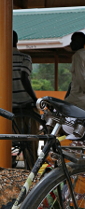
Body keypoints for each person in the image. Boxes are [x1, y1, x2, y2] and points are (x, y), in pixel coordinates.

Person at [12, 30, 39, 162]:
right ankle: (31, 163)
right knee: (32, 138)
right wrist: (35, 100)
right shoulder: (25, 57)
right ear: (16, 41)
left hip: (9, 105)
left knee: (8, 137)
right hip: (26, 103)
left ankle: (8, 162)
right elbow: (24, 78)